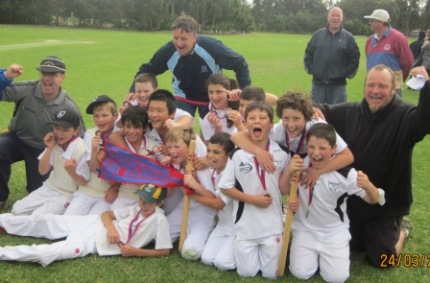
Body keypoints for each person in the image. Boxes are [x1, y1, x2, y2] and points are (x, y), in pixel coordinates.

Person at [316, 64, 430, 267]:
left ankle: (402, 230)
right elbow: (320, 111)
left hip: (385, 205)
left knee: (383, 259)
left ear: (394, 87)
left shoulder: (406, 116)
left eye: (382, 86)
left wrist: (428, 86)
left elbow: (425, 120)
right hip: (353, 200)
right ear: (364, 88)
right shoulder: (348, 111)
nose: (375, 91)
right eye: (371, 85)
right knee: (353, 246)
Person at [280, 123, 383, 282]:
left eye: (322, 148)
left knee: (336, 279)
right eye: (311, 147)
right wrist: (289, 173)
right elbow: (284, 189)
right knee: (300, 273)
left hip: (333, 232)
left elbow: (374, 199)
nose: (316, 153)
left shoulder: (346, 174)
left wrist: (368, 185)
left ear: (334, 149)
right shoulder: (300, 165)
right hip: (305, 229)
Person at [0, 184, 172, 266]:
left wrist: (136, 252)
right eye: (141, 199)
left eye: (148, 202)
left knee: (51, 252)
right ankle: (5, 222)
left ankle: (3, 253)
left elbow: (164, 251)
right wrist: (111, 228)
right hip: (94, 223)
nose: (142, 205)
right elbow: (106, 215)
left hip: (95, 242)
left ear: (160, 203)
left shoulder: (159, 220)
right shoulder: (136, 206)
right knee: (48, 220)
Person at [0, 57, 85, 211]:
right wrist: (6, 76)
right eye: (44, 73)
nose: (47, 78)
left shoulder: (68, 105)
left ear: (62, 77)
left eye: (52, 74)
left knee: (37, 190)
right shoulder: (28, 88)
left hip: (42, 148)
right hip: (17, 139)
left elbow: (80, 137)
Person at [128, 13, 251, 118]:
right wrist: (132, 90)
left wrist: (244, 93)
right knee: (179, 132)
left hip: (211, 96)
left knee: (213, 134)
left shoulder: (211, 47)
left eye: (183, 38)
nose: (178, 43)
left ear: (194, 37)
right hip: (183, 96)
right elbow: (147, 70)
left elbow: (239, 63)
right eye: (175, 38)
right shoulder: (168, 51)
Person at [219, 102, 291, 279]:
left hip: (272, 227)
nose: (257, 121)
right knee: (247, 273)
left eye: (262, 118)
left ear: (271, 124)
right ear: (245, 123)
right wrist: (252, 199)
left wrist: (292, 172)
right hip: (245, 227)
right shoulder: (237, 155)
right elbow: (225, 187)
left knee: (271, 274)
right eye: (252, 118)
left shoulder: (282, 153)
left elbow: (284, 188)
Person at [232, 91, 354, 187]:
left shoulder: (318, 126)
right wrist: (258, 152)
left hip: (324, 169)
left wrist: (318, 171)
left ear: (306, 117)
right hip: (298, 168)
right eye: (286, 118)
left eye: (296, 119)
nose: (290, 125)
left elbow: (347, 156)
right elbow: (237, 137)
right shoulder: (279, 130)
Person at [11, 109, 88, 216]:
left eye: (65, 130)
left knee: (37, 216)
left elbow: (83, 183)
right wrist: (49, 147)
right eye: (57, 128)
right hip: (50, 187)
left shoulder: (81, 149)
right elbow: (42, 171)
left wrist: (71, 171)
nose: (59, 134)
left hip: (68, 194)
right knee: (16, 210)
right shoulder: (54, 143)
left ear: (76, 130)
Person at [163, 127, 216, 260]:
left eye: (176, 146)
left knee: (190, 252)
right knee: (159, 236)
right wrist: (167, 174)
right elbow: (169, 195)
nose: (172, 151)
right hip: (184, 207)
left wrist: (195, 185)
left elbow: (214, 199)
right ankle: (187, 232)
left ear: (189, 147)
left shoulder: (199, 165)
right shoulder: (175, 164)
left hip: (204, 211)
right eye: (169, 147)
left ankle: (209, 233)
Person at [64, 95, 120, 215]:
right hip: (89, 189)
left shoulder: (121, 135)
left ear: (115, 116)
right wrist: (95, 150)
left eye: (104, 115)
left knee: (93, 222)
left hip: (107, 193)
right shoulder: (90, 134)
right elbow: (94, 168)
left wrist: (115, 188)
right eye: (96, 116)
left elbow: (124, 170)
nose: (100, 120)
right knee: (69, 218)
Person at [304, 7, 360, 104]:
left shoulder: (348, 38)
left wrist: (344, 73)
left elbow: (355, 58)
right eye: (333, 15)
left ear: (342, 18)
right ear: (328, 17)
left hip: (338, 87)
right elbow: (308, 54)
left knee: (338, 116)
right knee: (316, 116)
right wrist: (314, 70)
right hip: (318, 86)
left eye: (338, 16)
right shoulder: (317, 35)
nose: (335, 18)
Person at [200, 132, 236, 271]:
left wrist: (192, 195)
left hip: (236, 228)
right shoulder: (215, 171)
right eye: (208, 150)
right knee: (206, 258)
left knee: (222, 263)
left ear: (228, 155)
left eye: (216, 152)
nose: (210, 155)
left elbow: (218, 204)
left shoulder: (230, 173)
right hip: (222, 224)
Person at [364, 9, 414, 97]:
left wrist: (397, 81)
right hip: (372, 89)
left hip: (392, 89)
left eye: (372, 20)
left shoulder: (398, 38)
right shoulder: (369, 41)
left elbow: (408, 62)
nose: (369, 23)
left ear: (381, 22)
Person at [119, 73, 193, 129]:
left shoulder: (162, 103)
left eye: (146, 91)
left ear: (156, 91)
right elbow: (118, 126)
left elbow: (187, 118)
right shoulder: (131, 105)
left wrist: (176, 125)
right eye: (138, 91)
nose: (142, 95)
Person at [200, 73, 240, 143]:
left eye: (219, 92)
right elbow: (212, 149)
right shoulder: (207, 117)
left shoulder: (242, 108)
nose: (214, 97)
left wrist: (243, 95)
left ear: (228, 91)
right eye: (211, 92)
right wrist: (218, 128)